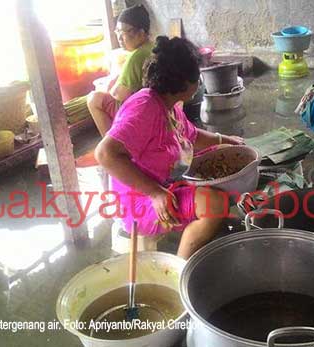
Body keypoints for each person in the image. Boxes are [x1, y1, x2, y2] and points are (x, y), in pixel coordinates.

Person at [95, 36, 244, 259]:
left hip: (163, 185)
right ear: (183, 82)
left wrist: (225, 140)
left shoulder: (169, 105)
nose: (199, 84)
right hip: (139, 199)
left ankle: (196, 234)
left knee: (215, 166)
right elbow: (105, 154)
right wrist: (154, 193)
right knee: (216, 204)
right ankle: (179, 271)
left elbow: (192, 136)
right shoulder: (145, 106)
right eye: (197, 78)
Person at [87, 5, 154, 137]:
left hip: (141, 111)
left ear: (141, 33)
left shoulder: (136, 56)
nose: (119, 38)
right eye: (117, 32)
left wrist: (110, 87)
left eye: (124, 32)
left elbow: (119, 95)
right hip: (152, 106)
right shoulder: (153, 46)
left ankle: (112, 144)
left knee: (94, 99)